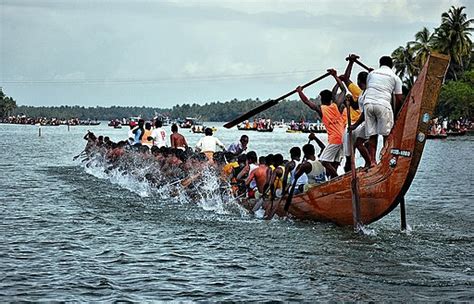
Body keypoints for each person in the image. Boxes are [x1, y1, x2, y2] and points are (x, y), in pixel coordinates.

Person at [350, 56, 403, 166]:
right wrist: (397, 113)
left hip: (368, 105)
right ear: (391, 65)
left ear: (380, 64)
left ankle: (373, 161)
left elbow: (371, 87)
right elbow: (398, 98)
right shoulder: (395, 77)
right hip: (383, 105)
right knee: (386, 135)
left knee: (373, 135)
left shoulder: (372, 74)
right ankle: (385, 160)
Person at [297, 69, 346, 178]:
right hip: (343, 137)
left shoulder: (321, 109)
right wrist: (335, 76)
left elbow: (307, 102)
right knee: (335, 163)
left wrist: (300, 91)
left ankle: (337, 179)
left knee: (324, 161)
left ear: (321, 99)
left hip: (335, 138)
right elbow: (343, 90)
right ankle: (333, 179)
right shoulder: (336, 105)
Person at [339, 54, 371, 170]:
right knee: (362, 146)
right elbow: (356, 105)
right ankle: (368, 165)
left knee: (351, 153)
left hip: (357, 124)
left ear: (359, 82)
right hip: (362, 124)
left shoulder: (360, 91)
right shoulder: (364, 93)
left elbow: (346, 78)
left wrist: (351, 63)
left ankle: (367, 164)